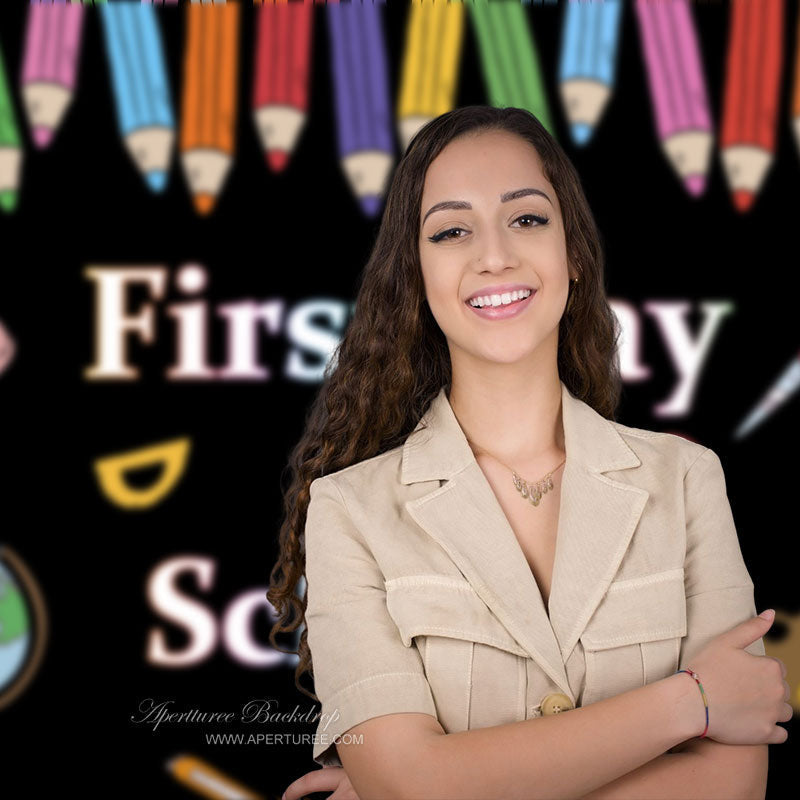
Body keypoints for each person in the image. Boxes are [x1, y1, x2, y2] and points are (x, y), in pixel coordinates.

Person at [268, 105, 790, 800]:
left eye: (527, 218)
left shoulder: (688, 481)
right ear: (416, 276)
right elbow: (408, 785)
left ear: (572, 251)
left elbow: (733, 784)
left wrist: (443, 784)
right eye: (452, 231)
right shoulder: (348, 512)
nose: (494, 256)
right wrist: (690, 703)